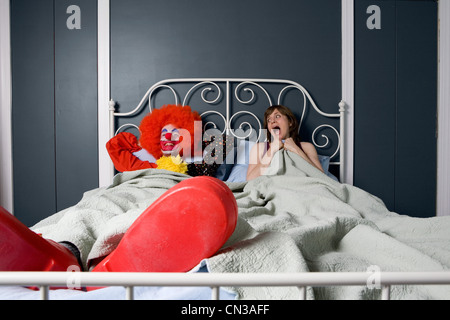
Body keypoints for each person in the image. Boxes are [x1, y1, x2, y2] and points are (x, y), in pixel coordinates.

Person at [246, 105, 324, 181]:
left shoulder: (306, 147)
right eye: (269, 120)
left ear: (290, 122)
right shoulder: (259, 148)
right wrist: (272, 150)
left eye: (277, 116)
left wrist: (296, 149)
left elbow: (322, 177)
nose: (272, 121)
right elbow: (250, 179)